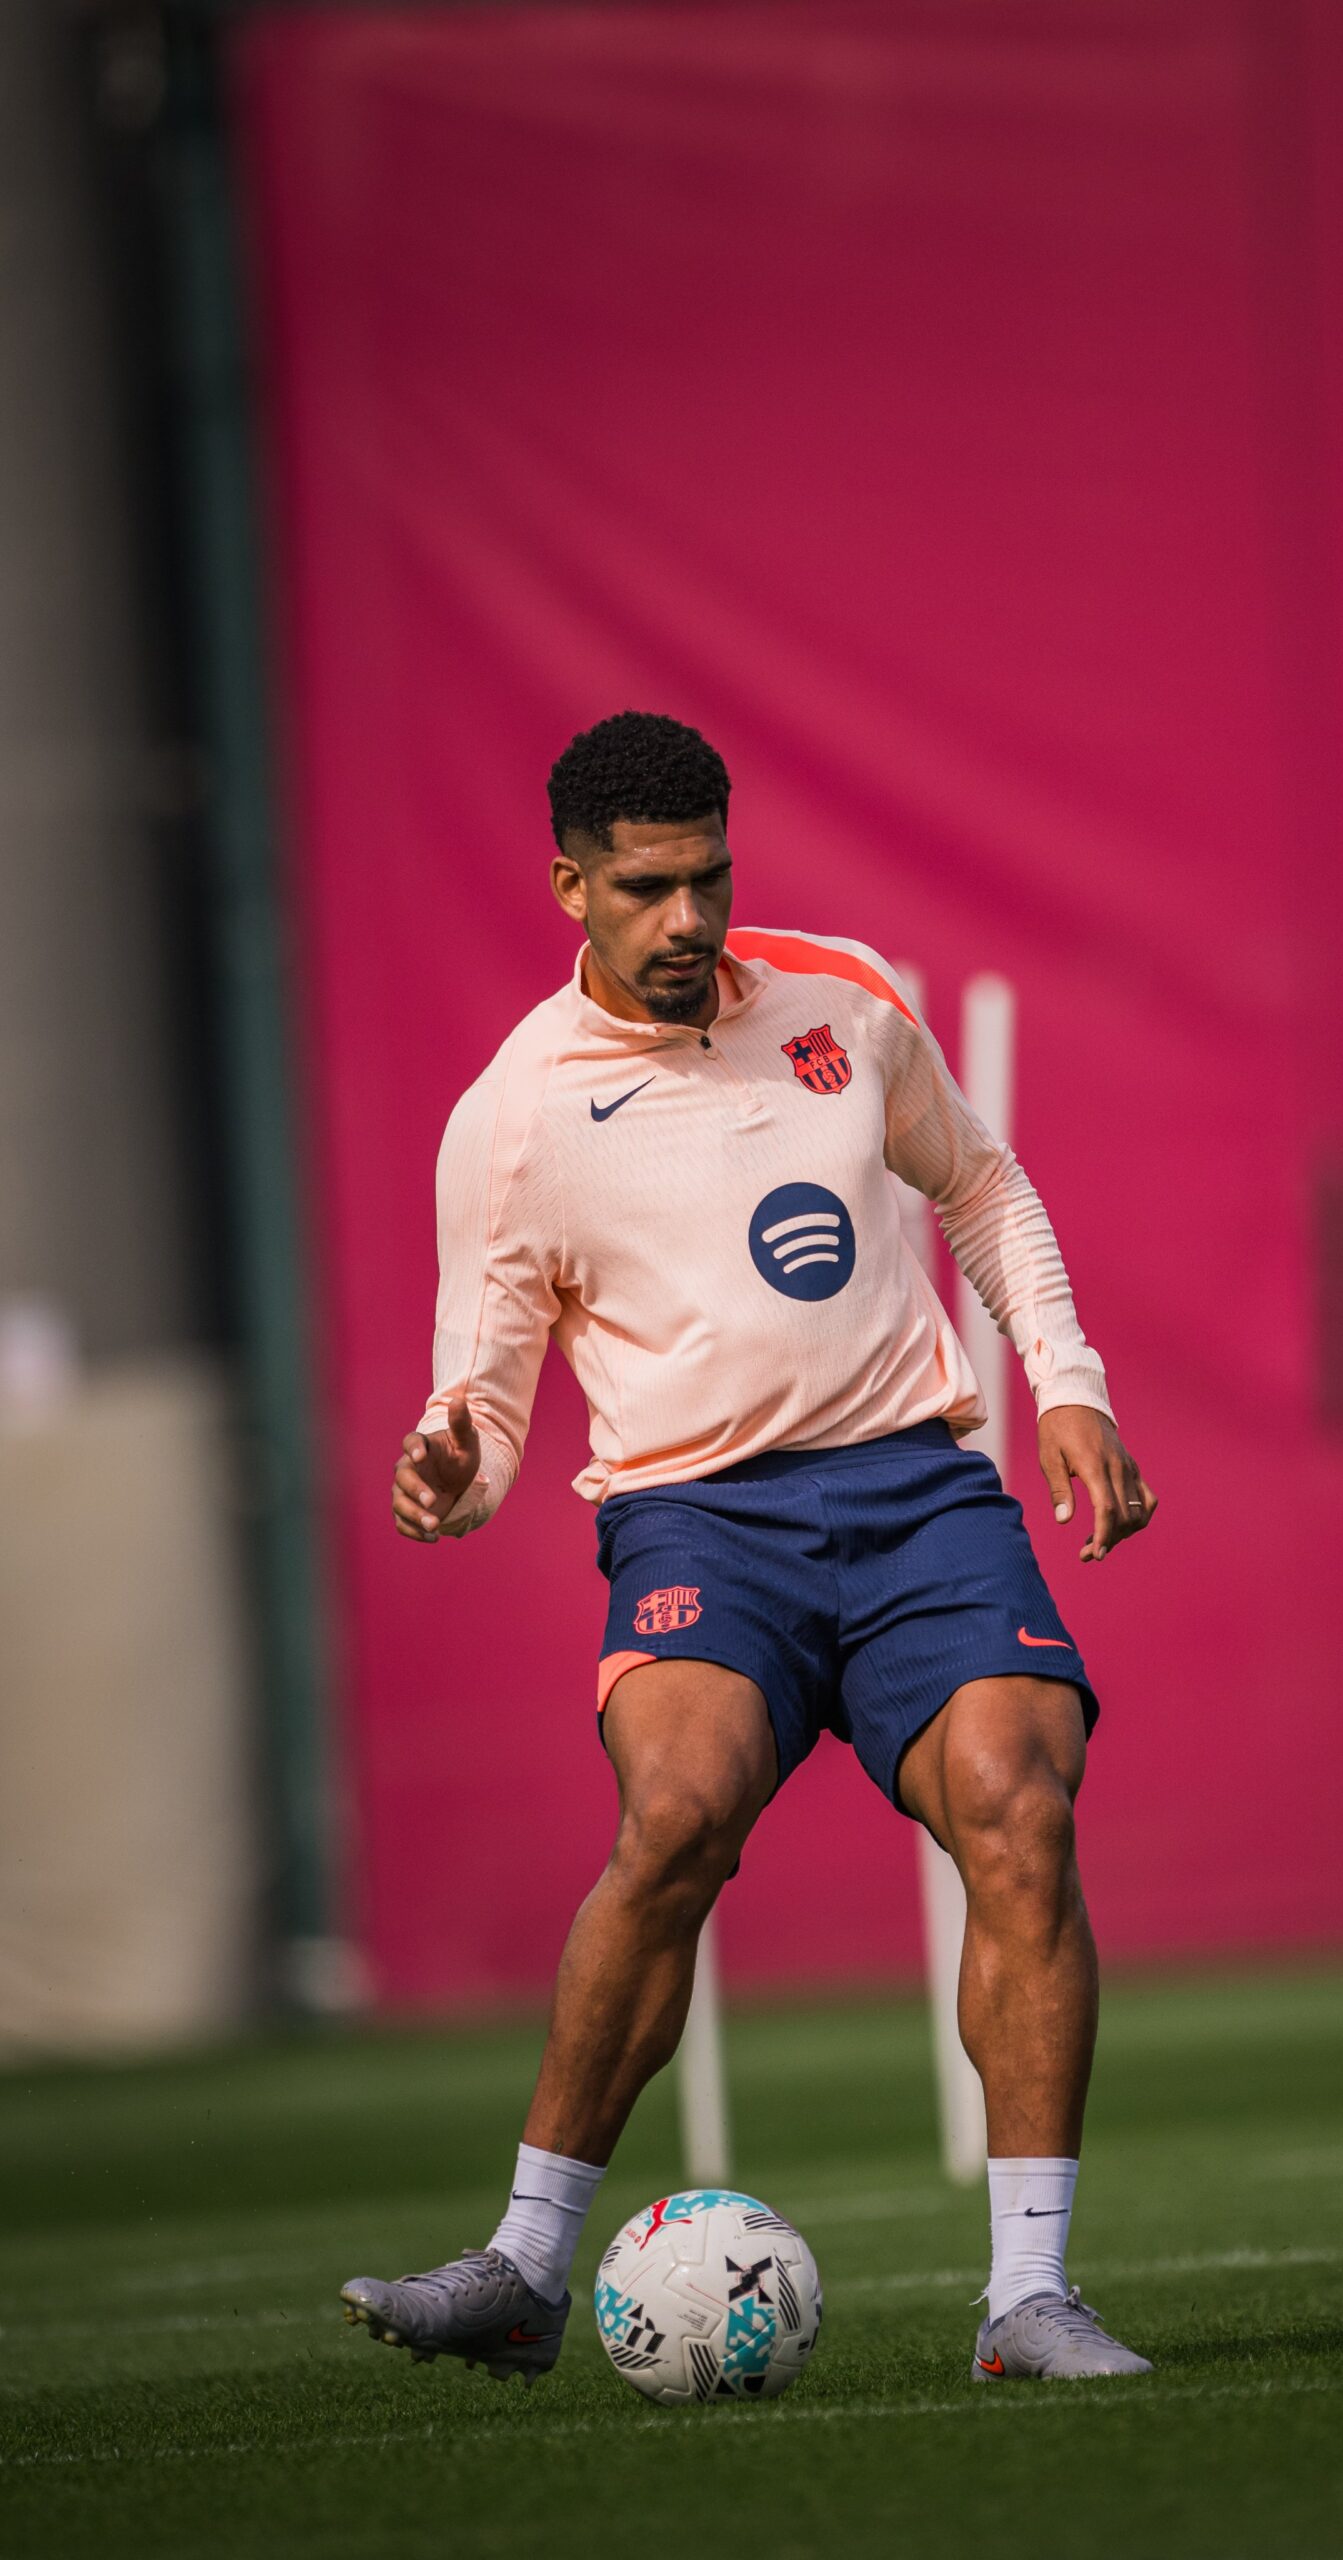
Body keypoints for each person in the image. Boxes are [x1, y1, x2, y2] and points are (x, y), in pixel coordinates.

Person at [341, 710, 1158, 2386]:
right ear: (570, 886)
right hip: (702, 1518)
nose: (689, 920)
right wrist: (450, 1474)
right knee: (678, 1816)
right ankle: (521, 2268)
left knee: (1023, 1808)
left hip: (921, 1494)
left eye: (710, 877)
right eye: (646, 890)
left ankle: (1027, 2299)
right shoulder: (512, 1120)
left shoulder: (844, 1001)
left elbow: (983, 1187)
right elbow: (483, 1410)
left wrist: (1064, 1383)